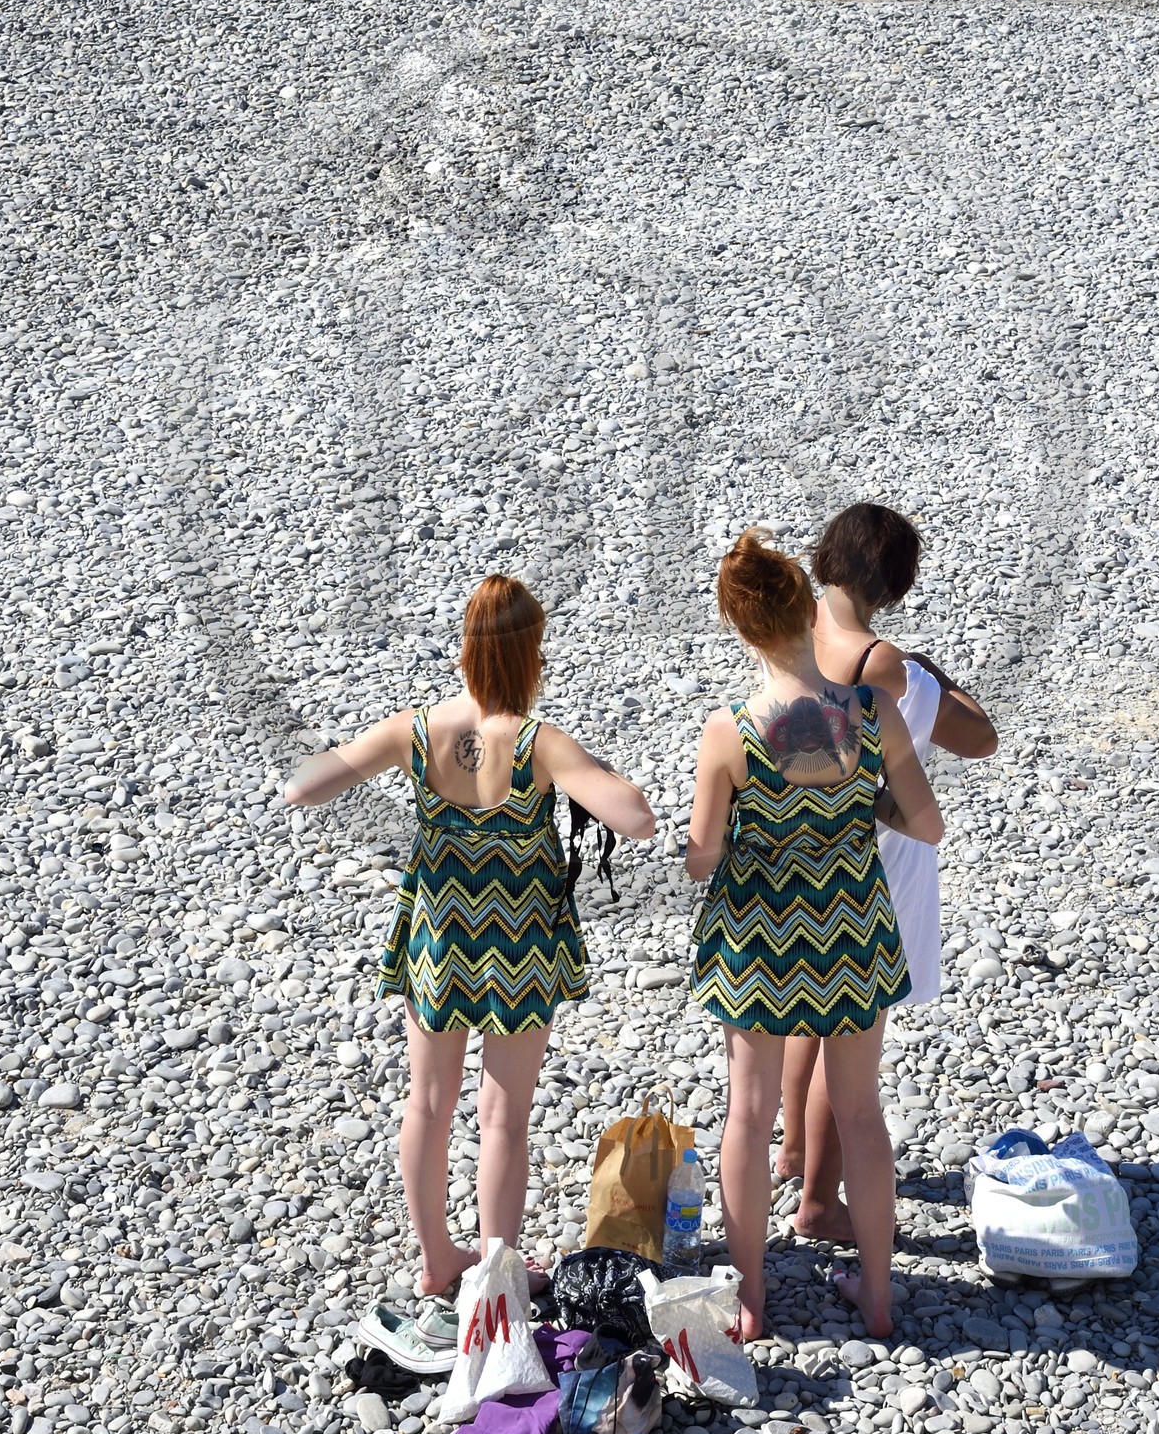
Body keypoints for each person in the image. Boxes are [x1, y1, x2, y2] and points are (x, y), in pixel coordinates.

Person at [284, 576, 653, 1301]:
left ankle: (435, 1258)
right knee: (503, 1112)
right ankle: (495, 1270)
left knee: (427, 1100)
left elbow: (303, 787)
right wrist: (598, 772)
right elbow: (635, 817)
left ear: (465, 650)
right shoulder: (538, 742)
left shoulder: (415, 731)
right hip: (520, 943)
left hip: (440, 937)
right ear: (531, 656)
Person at [685, 531, 941, 1341]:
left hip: (760, 934)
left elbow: (702, 858)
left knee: (748, 1114)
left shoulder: (730, 730)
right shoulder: (871, 712)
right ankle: (877, 1296)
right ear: (806, 608)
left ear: (740, 628)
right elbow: (926, 824)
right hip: (853, 926)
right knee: (863, 1114)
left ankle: (754, 1301)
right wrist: (854, 805)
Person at [777, 501, 998, 1239]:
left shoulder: (794, 628)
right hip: (870, 859)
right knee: (852, 1025)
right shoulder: (884, 664)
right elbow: (979, 736)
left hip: (795, 848)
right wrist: (931, 669)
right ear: (896, 581)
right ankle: (818, 1200)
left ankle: (794, 1152)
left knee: (809, 1008)